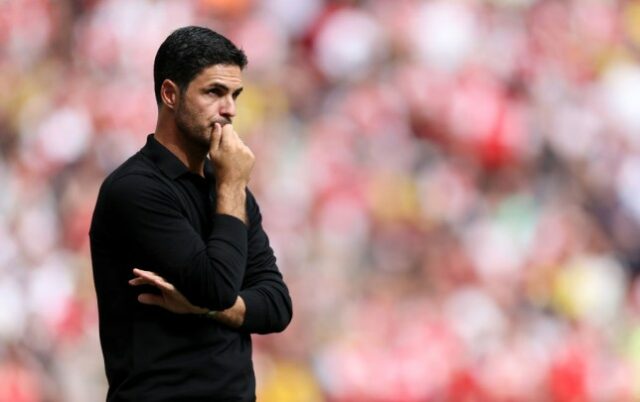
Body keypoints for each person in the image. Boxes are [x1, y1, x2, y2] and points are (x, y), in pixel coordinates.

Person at [89, 26, 293, 401]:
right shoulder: (135, 189)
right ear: (170, 94)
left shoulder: (228, 186)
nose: (229, 108)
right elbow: (216, 287)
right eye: (214, 92)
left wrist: (209, 309)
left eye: (235, 95)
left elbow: (278, 305)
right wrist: (232, 186)